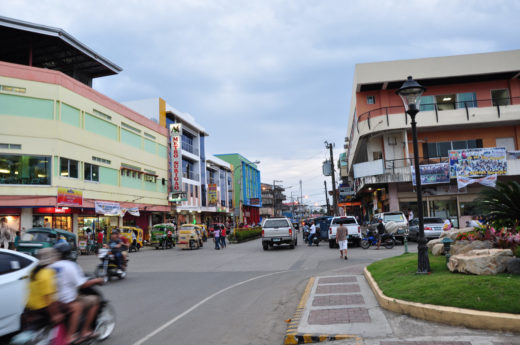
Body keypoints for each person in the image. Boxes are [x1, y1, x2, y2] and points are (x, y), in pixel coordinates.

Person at [51, 242, 104, 345]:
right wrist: (97, 281)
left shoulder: (51, 265)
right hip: (66, 300)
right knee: (94, 300)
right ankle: (84, 331)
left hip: (53, 300)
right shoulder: (70, 265)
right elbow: (83, 284)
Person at [24, 248, 63, 326]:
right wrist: (55, 315)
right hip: (42, 310)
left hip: (29, 308)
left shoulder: (33, 271)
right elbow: (48, 298)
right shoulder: (47, 273)